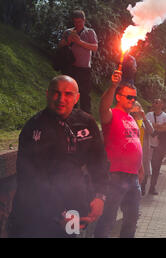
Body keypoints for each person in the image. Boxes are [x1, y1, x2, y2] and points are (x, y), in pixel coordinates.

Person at [8, 75, 109, 237]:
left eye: (68, 94)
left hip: (75, 207)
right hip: (36, 214)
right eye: (56, 93)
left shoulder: (87, 123)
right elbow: (30, 178)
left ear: (77, 98)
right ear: (47, 94)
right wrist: (59, 214)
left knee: (71, 235)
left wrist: (100, 196)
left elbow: (99, 162)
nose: (61, 99)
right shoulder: (34, 127)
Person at [94, 70, 144, 238]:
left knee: (132, 218)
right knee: (108, 219)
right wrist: (113, 85)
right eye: (128, 97)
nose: (132, 100)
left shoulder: (132, 119)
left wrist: (141, 167)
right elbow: (102, 107)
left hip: (133, 177)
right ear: (118, 97)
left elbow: (136, 143)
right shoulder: (111, 115)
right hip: (114, 176)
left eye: (134, 97)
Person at [58, 10, 98, 114]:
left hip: (84, 68)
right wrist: (68, 41)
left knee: (85, 95)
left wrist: (80, 42)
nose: (78, 24)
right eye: (76, 22)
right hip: (70, 68)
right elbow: (60, 45)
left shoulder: (89, 32)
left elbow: (94, 47)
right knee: (70, 93)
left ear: (84, 20)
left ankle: (86, 118)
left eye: (80, 22)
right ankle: (70, 115)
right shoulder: (68, 31)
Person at [145, 99, 166, 195]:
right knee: (146, 166)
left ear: (161, 104)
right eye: (153, 102)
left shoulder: (165, 116)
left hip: (159, 146)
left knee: (156, 168)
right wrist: (160, 126)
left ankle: (152, 187)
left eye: (157, 102)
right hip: (148, 145)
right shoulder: (148, 115)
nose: (154, 103)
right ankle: (143, 186)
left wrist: (152, 125)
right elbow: (146, 127)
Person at [130, 101, 154, 195]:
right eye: (133, 110)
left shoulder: (144, 122)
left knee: (145, 171)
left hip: (143, 151)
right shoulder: (129, 120)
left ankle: (142, 188)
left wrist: (144, 118)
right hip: (132, 152)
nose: (135, 113)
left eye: (138, 110)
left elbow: (152, 131)